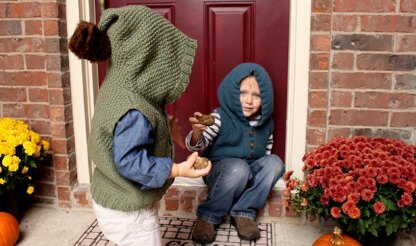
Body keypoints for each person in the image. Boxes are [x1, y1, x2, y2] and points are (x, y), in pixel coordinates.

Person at [68, 6, 211, 245]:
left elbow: (123, 136)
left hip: (112, 195)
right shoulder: (134, 109)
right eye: (166, 60)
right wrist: (177, 170)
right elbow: (130, 162)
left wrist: (163, 130)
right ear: (149, 62)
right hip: (129, 213)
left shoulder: (118, 87)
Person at [186, 63, 285, 244]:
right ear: (232, 92)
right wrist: (197, 132)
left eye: (257, 96)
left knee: (275, 162)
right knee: (238, 168)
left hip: (248, 171)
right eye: (243, 93)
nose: (249, 100)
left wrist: (265, 173)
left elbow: (266, 153)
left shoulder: (267, 123)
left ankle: (243, 212)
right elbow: (196, 146)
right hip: (221, 171)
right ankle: (208, 216)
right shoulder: (219, 117)